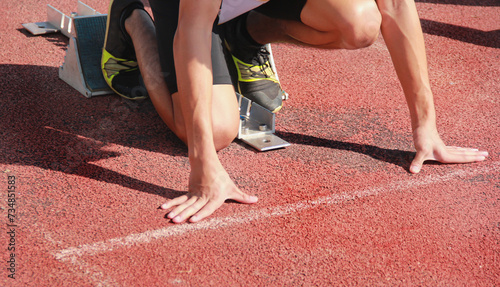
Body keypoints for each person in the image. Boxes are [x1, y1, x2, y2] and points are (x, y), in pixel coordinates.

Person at [101, 0, 488, 224]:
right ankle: (133, 21)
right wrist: (204, 167)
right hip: (193, 10)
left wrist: (426, 128)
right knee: (216, 131)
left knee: (361, 23)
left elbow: (397, 5)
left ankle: (242, 35)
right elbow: (193, 30)